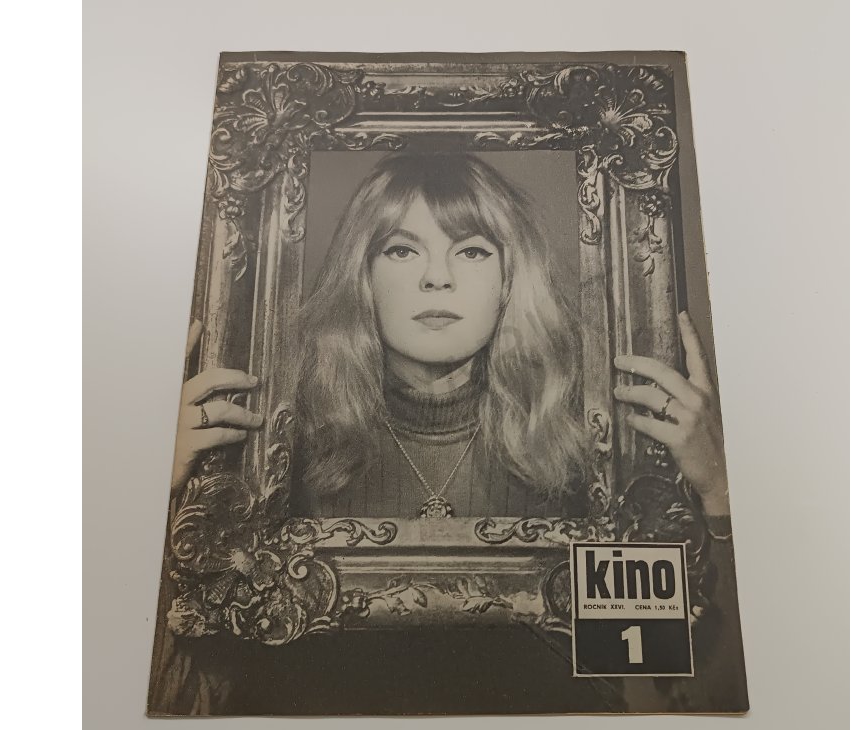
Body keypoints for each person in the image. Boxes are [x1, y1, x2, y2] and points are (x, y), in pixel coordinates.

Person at [171, 153, 729, 521]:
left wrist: (719, 491)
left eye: (472, 251)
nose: (437, 277)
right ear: (362, 277)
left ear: (509, 281)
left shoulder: (590, 434)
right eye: (402, 250)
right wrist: (160, 490)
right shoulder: (277, 435)